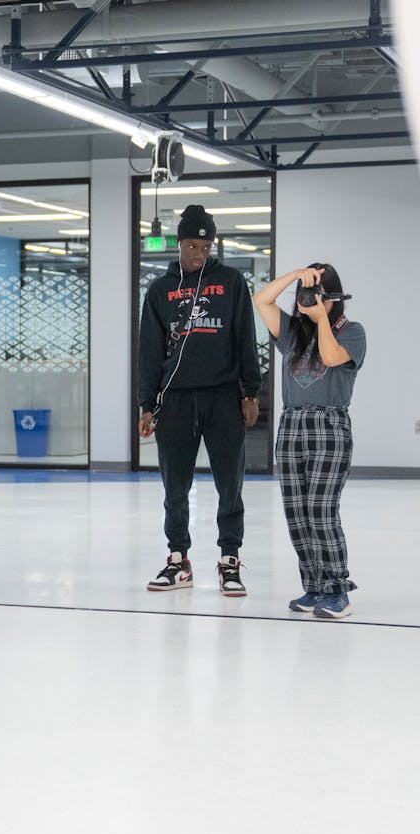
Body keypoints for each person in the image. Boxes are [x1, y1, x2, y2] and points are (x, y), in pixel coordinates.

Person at [136, 203, 262, 595]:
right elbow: (150, 352)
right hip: (175, 401)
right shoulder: (160, 291)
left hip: (224, 397)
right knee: (175, 485)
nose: (200, 254)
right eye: (193, 245)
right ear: (180, 243)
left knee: (230, 483)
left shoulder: (232, 282)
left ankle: (229, 558)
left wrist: (250, 391)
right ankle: (178, 559)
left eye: (206, 247)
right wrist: (146, 404)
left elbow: (245, 337)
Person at [252, 262, 367, 619]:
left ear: (333, 298)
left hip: (329, 424)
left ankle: (336, 590)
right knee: (297, 513)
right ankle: (313, 585)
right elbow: (262, 300)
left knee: (321, 509)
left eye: (316, 294)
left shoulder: (353, 331)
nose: (307, 300)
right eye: (304, 295)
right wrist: (296, 277)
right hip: (291, 424)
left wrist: (320, 318)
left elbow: (331, 357)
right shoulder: (291, 333)